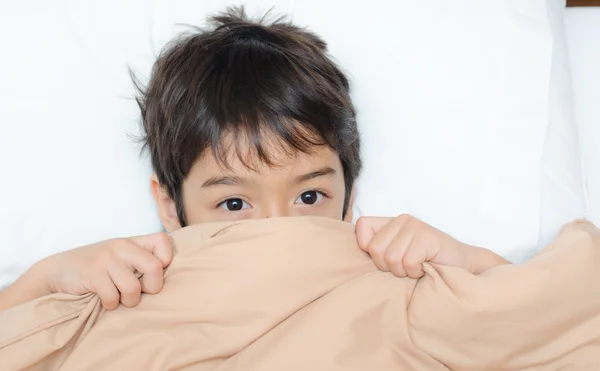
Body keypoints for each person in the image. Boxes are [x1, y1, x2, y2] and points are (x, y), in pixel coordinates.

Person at [0, 7, 508, 312]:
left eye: (310, 196)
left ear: (350, 197)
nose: (278, 230)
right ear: (170, 206)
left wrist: (468, 263)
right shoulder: (130, 290)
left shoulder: (393, 280)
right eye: (235, 203)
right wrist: (45, 279)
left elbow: (564, 318)